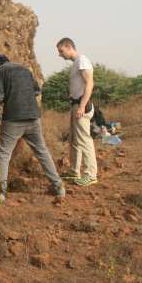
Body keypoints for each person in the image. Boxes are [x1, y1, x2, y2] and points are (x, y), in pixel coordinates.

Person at [0, 53, 65, 203]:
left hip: (13, 118)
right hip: (33, 117)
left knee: (4, 153)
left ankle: (1, 193)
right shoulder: (25, 70)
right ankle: (58, 187)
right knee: (41, 151)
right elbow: (36, 91)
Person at [56, 37, 98, 186]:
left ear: (68, 47)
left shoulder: (82, 60)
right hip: (75, 104)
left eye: (61, 51)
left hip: (81, 105)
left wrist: (81, 106)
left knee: (84, 140)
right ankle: (74, 171)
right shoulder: (76, 63)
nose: (60, 55)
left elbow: (90, 83)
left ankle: (91, 174)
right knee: (74, 140)